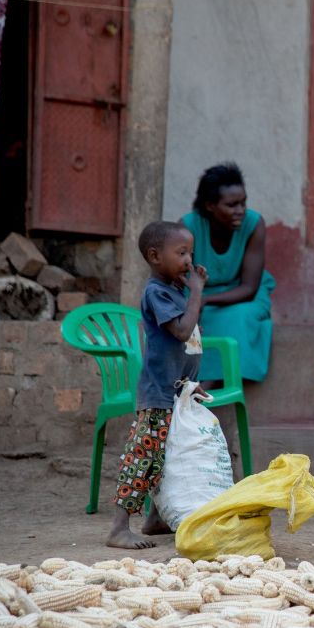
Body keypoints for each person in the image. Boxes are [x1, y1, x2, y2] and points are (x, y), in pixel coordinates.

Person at [107, 222, 206, 550]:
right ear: (154, 256)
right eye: (181, 253)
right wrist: (197, 293)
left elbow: (188, 343)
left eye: (190, 252)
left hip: (177, 393)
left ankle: (156, 518)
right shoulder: (157, 293)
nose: (189, 260)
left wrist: (191, 387)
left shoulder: (175, 291)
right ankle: (119, 528)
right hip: (158, 395)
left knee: (169, 458)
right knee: (143, 457)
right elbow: (182, 331)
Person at [181, 163, 276, 384]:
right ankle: (199, 381)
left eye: (243, 203)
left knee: (240, 317)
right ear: (210, 205)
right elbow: (178, 278)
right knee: (187, 318)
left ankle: (212, 383)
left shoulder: (254, 224)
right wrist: (197, 299)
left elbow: (249, 288)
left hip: (241, 294)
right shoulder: (187, 227)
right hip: (195, 292)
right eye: (232, 205)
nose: (240, 210)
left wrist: (206, 301)